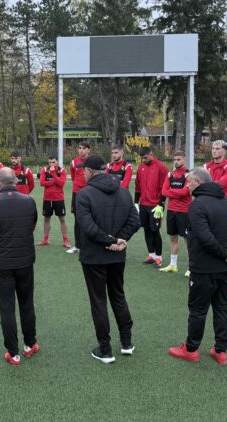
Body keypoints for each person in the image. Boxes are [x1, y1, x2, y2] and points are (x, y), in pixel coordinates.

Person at [167, 168, 227, 365]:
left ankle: (191, 349)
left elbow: (204, 237)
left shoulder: (197, 205)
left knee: (198, 310)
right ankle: (221, 351)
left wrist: (226, 254)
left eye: (190, 182)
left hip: (204, 268)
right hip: (225, 268)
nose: (187, 185)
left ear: (199, 182)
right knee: (221, 308)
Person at [75, 155, 140, 364]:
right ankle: (126, 343)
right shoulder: (123, 192)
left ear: (89, 171)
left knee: (99, 301)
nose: (82, 173)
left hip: (95, 256)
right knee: (118, 296)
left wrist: (113, 240)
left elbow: (88, 227)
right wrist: (118, 240)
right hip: (116, 254)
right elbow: (134, 221)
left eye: (84, 170)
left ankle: (105, 349)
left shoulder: (84, 194)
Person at [0, 167, 39, 366]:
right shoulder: (28, 201)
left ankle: (13, 352)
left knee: (7, 306)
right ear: (15, 180)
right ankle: (29, 344)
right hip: (24, 260)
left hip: (3, 261)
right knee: (26, 303)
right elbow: (32, 226)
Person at [205, 140, 227, 285]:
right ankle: (212, 268)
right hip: (208, 205)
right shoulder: (206, 166)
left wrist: (206, 185)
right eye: (213, 148)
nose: (214, 151)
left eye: (218, 148)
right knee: (210, 237)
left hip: (225, 206)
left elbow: (219, 186)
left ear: (224, 151)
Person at [134, 147, 169, 268]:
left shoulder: (161, 167)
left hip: (156, 206)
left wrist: (161, 204)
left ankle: (159, 257)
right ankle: (151, 255)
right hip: (143, 205)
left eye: (145, 157)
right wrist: (136, 203)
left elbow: (164, 187)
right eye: (142, 158)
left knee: (155, 230)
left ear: (151, 154)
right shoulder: (141, 167)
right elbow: (137, 186)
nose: (143, 160)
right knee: (146, 229)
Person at [159, 152, 192, 274]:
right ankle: (173, 265)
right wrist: (176, 192)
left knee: (188, 240)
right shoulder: (170, 174)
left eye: (178, 159)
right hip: (171, 210)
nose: (176, 162)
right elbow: (163, 191)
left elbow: (186, 192)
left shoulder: (189, 174)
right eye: (174, 159)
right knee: (173, 238)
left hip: (184, 211)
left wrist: (171, 191)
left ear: (184, 159)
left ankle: (191, 268)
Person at [38, 155, 71, 249]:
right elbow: (42, 183)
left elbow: (61, 183)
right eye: (49, 162)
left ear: (57, 162)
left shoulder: (62, 170)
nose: (51, 164)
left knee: (62, 219)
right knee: (46, 219)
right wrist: (54, 182)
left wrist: (53, 174)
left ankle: (65, 240)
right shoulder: (44, 170)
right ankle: (45, 239)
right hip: (47, 199)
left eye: (53, 162)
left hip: (59, 199)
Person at [67, 140, 91, 254]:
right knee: (77, 220)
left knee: (91, 218)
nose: (81, 150)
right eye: (80, 148)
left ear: (88, 150)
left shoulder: (92, 161)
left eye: (84, 148)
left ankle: (90, 245)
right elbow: (73, 177)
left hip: (89, 193)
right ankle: (77, 246)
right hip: (76, 193)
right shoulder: (73, 162)